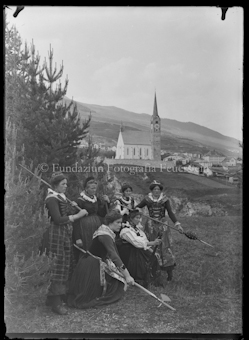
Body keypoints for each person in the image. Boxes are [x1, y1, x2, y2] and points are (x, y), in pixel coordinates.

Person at [67, 210, 135, 309]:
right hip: (92, 264)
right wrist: (128, 276)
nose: (120, 225)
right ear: (110, 222)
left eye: (121, 222)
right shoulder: (105, 235)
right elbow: (114, 256)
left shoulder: (105, 230)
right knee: (95, 293)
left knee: (117, 280)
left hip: (95, 261)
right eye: (118, 222)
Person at [41, 172, 88, 315]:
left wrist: (72, 206)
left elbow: (65, 213)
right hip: (55, 235)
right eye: (63, 184)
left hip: (64, 235)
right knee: (58, 266)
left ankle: (54, 298)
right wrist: (78, 215)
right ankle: (56, 303)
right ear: (55, 186)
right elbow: (58, 219)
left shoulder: (60, 198)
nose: (66, 187)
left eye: (66, 184)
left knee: (65, 264)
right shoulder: (51, 199)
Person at [135, 180, 184, 281]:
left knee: (165, 246)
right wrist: (139, 212)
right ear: (152, 190)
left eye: (158, 189)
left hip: (163, 225)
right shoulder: (147, 199)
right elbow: (137, 207)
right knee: (152, 246)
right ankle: (153, 271)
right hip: (151, 226)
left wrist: (177, 224)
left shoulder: (165, 200)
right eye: (154, 189)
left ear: (160, 191)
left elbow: (170, 213)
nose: (156, 191)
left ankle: (169, 271)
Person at [117, 209, 162, 288]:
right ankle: (138, 280)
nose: (139, 220)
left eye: (140, 218)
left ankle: (151, 279)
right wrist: (153, 243)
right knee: (141, 264)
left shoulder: (137, 229)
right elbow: (137, 243)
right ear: (131, 218)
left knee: (153, 258)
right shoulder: (125, 230)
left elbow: (144, 241)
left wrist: (152, 251)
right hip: (129, 254)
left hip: (139, 251)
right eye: (137, 218)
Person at [72, 176, 110, 262]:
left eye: (95, 188)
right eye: (92, 188)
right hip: (84, 229)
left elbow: (102, 214)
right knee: (87, 249)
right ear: (86, 188)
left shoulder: (96, 200)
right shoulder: (79, 200)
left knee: (96, 248)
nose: (94, 190)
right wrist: (77, 237)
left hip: (96, 227)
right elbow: (76, 220)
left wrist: (107, 202)